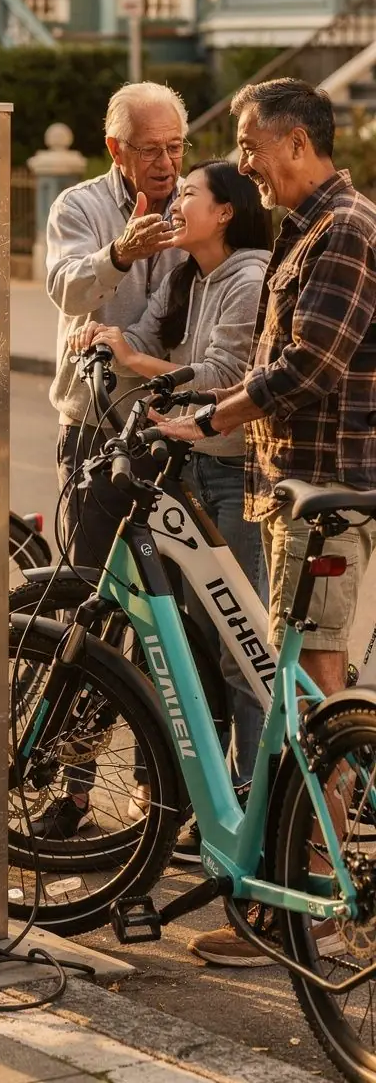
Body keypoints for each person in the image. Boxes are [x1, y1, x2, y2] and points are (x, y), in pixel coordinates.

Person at [158, 77, 376, 967]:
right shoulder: (307, 231)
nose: (243, 164)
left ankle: (317, 904)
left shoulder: (346, 229)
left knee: (315, 694)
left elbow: (308, 364)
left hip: (327, 495)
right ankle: (301, 884)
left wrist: (209, 419)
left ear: (296, 142)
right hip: (293, 489)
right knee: (304, 690)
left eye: (250, 145)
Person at [69, 161, 272, 802]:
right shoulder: (192, 273)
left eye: (188, 193)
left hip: (238, 471)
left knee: (241, 641)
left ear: (226, 212)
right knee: (198, 638)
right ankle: (206, 801)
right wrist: (101, 335)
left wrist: (132, 358)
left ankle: (256, 800)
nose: (173, 200)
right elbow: (143, 333)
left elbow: (224, 378)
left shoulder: (248, 273)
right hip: (193, 464)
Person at [45, 82, 187, 572]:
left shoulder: (201, 202)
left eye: (175, 146)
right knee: (89, 581)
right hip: (94, 422)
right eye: (151, 149)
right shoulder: (78, 206)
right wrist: (119, 254)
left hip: (175, 423)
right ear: (115, 149)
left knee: (173, 590)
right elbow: (66, 289)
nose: (167, 163)